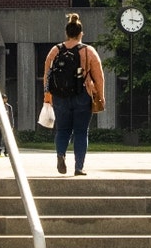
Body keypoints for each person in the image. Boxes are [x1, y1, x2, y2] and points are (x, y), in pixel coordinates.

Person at [42, 13, 104, 176]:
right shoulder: (88, 51)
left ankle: (61, 154)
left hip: (60, 97)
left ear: (67, 33)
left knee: (62, 130)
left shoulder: (55, 51)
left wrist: (47, 96)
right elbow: (99, 76)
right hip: (82, 95)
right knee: (81, 131)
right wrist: (100, 96)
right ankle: (79, 167)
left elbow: (47, 75)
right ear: (80, 33)